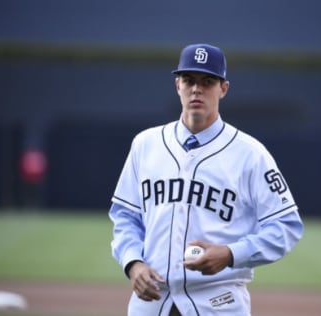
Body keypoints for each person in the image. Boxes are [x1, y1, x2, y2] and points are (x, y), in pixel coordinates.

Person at [109, 43, 304, 316]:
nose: (196, 89)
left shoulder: (250, 154)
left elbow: (286, 226)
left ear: (223, 88)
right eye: (189, 80)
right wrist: (133, 263)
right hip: (151, 303)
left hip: (218, 303)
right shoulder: (146, 145)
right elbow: (125, 216)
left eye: (208, 81)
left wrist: (231, 253)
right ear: (177, 85)